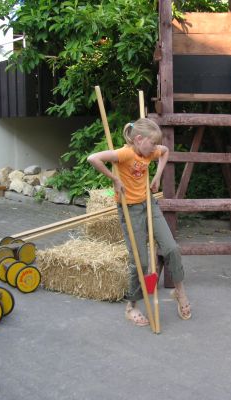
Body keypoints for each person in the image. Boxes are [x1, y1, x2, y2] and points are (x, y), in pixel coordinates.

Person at [88, 118, 191, 326]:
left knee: (172, 248)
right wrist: (114, 179)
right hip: (130, 209)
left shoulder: (150, 150)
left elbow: (165, 151)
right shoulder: (125, 153)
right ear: (139, 139)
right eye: (151, 144)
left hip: (149, 203)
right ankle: (131, 306)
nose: (154, 148)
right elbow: (93, 158)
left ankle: (179, 292)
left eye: (154, 145)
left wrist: (157, 177)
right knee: (141, 261)